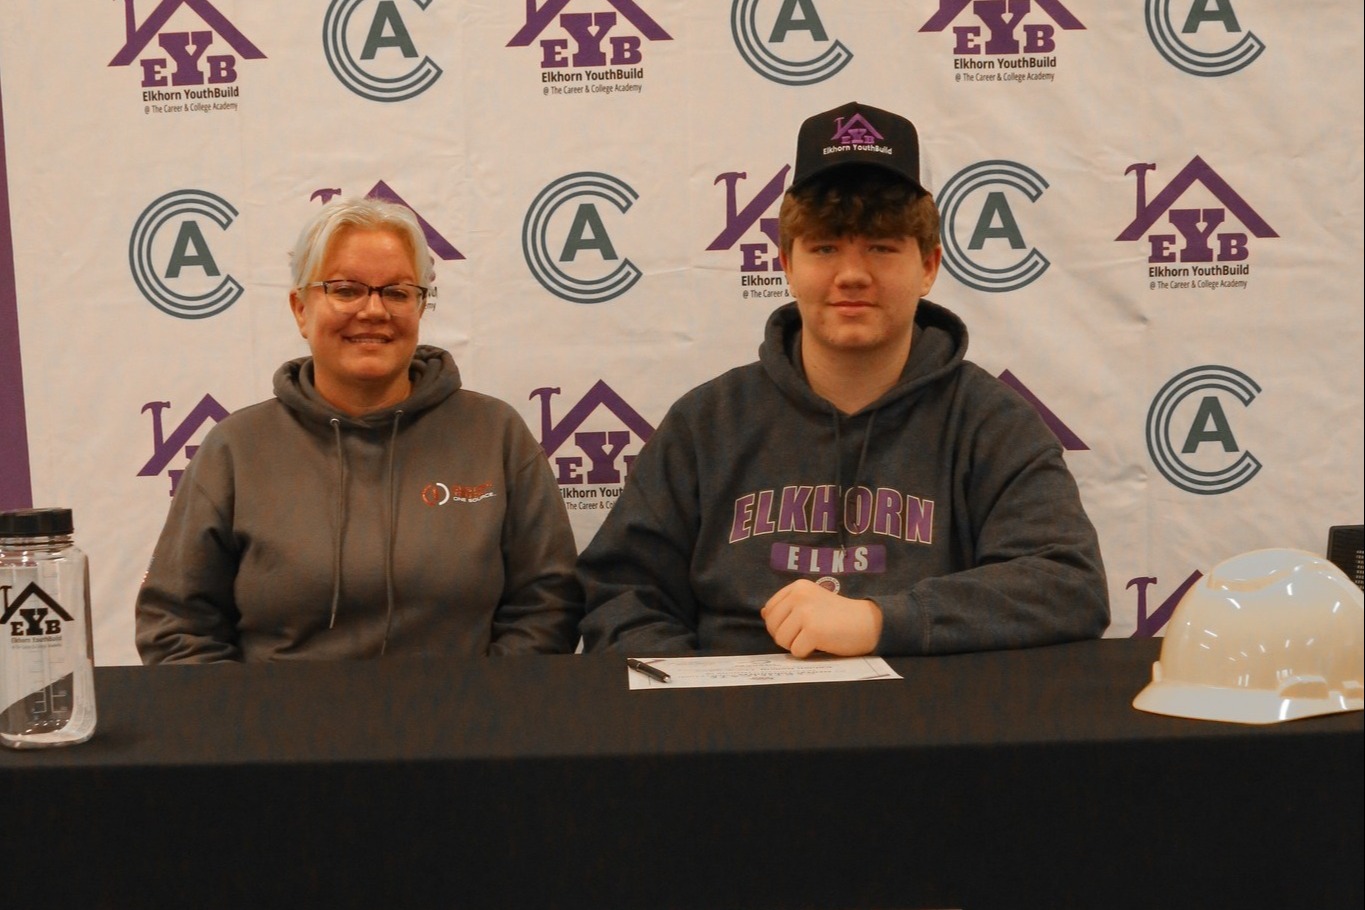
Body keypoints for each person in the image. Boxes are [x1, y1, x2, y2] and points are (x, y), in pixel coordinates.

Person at [577, 101, 1109, 657]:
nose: (852, 274)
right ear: (786, 264)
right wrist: (703, 711)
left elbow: (1068, 584)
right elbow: (620, 595)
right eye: (825, 247)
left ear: (928, 266)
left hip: (926, 729)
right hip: (734, 727)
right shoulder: (707, 422)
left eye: (881, 247)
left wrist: (882, 621)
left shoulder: (990, 422)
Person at [136, 197, 582, 662]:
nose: (373, 310)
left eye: (397, 292)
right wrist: (252, 728)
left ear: (420, 306)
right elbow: (177, 626)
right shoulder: (235, 449)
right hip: (279, 732)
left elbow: (548, 606)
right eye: (346, 289)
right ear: (300, 309)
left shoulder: (496, 435)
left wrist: (479, 715)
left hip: (466, 727)